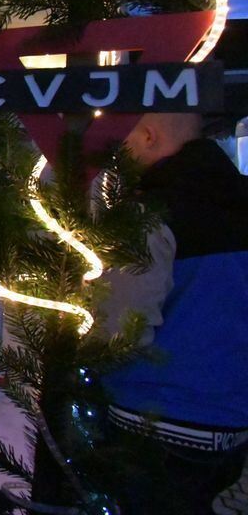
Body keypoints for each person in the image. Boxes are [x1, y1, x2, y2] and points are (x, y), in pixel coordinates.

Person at [99, 113, 248, 514]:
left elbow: (122, 333)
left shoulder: (147, 215)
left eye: (124, 140)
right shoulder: (239, 199)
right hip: (231, 422)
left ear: (149, 136)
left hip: (154, 419)